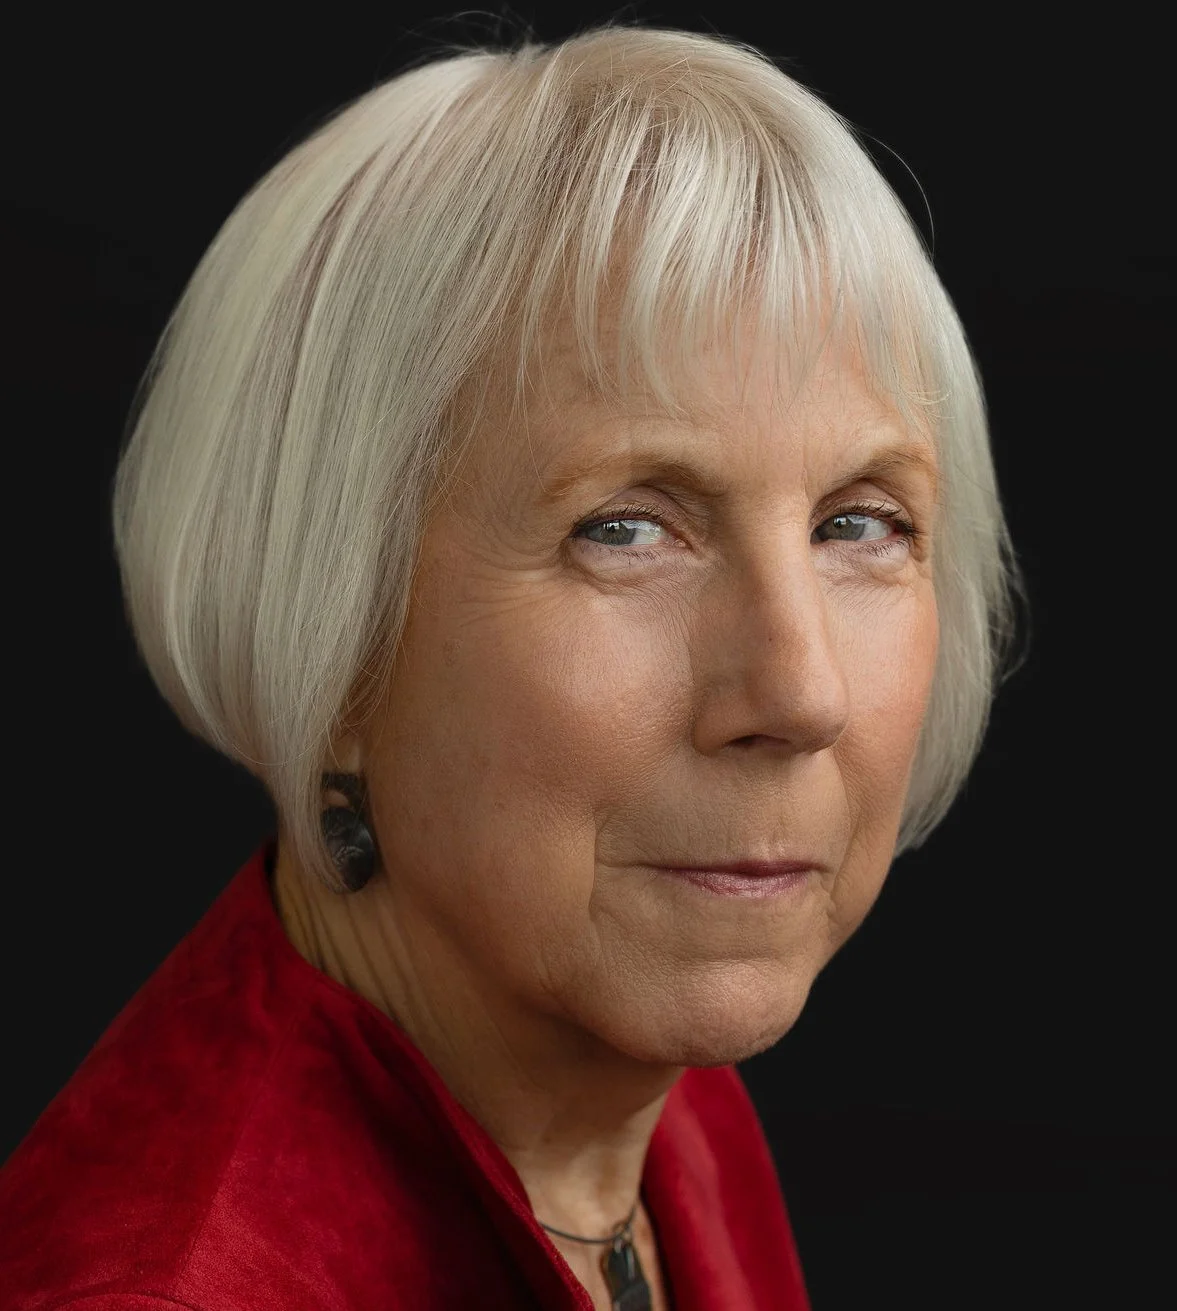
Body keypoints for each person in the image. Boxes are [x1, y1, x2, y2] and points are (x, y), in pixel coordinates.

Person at [0, 21, 1019, 1311]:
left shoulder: (646, 1095)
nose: (801, 692)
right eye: (626, 529)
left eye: (858, 524)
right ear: (330, 629)